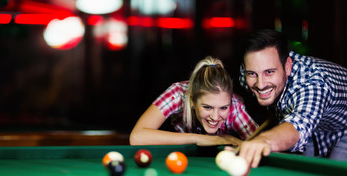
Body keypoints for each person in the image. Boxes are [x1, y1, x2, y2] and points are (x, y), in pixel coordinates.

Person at [235, 29, 347, 167]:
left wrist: (264, 140)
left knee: (334, 175)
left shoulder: (313, 83)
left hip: (343, 129)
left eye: (269, 72)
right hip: (317, 127)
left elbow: (297, 126)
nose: (260, 84)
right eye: (252, 74)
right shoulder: (245, 75)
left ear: (287, 66)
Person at [129, 56, 259, 146]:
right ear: (192, 100)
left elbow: (261, 144)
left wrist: (231, 140)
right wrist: (200, 139)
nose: (215, 116)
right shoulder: (178, 94)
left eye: (223, 108)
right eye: (207, 107)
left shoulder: (235, 107)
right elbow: (137, 137)